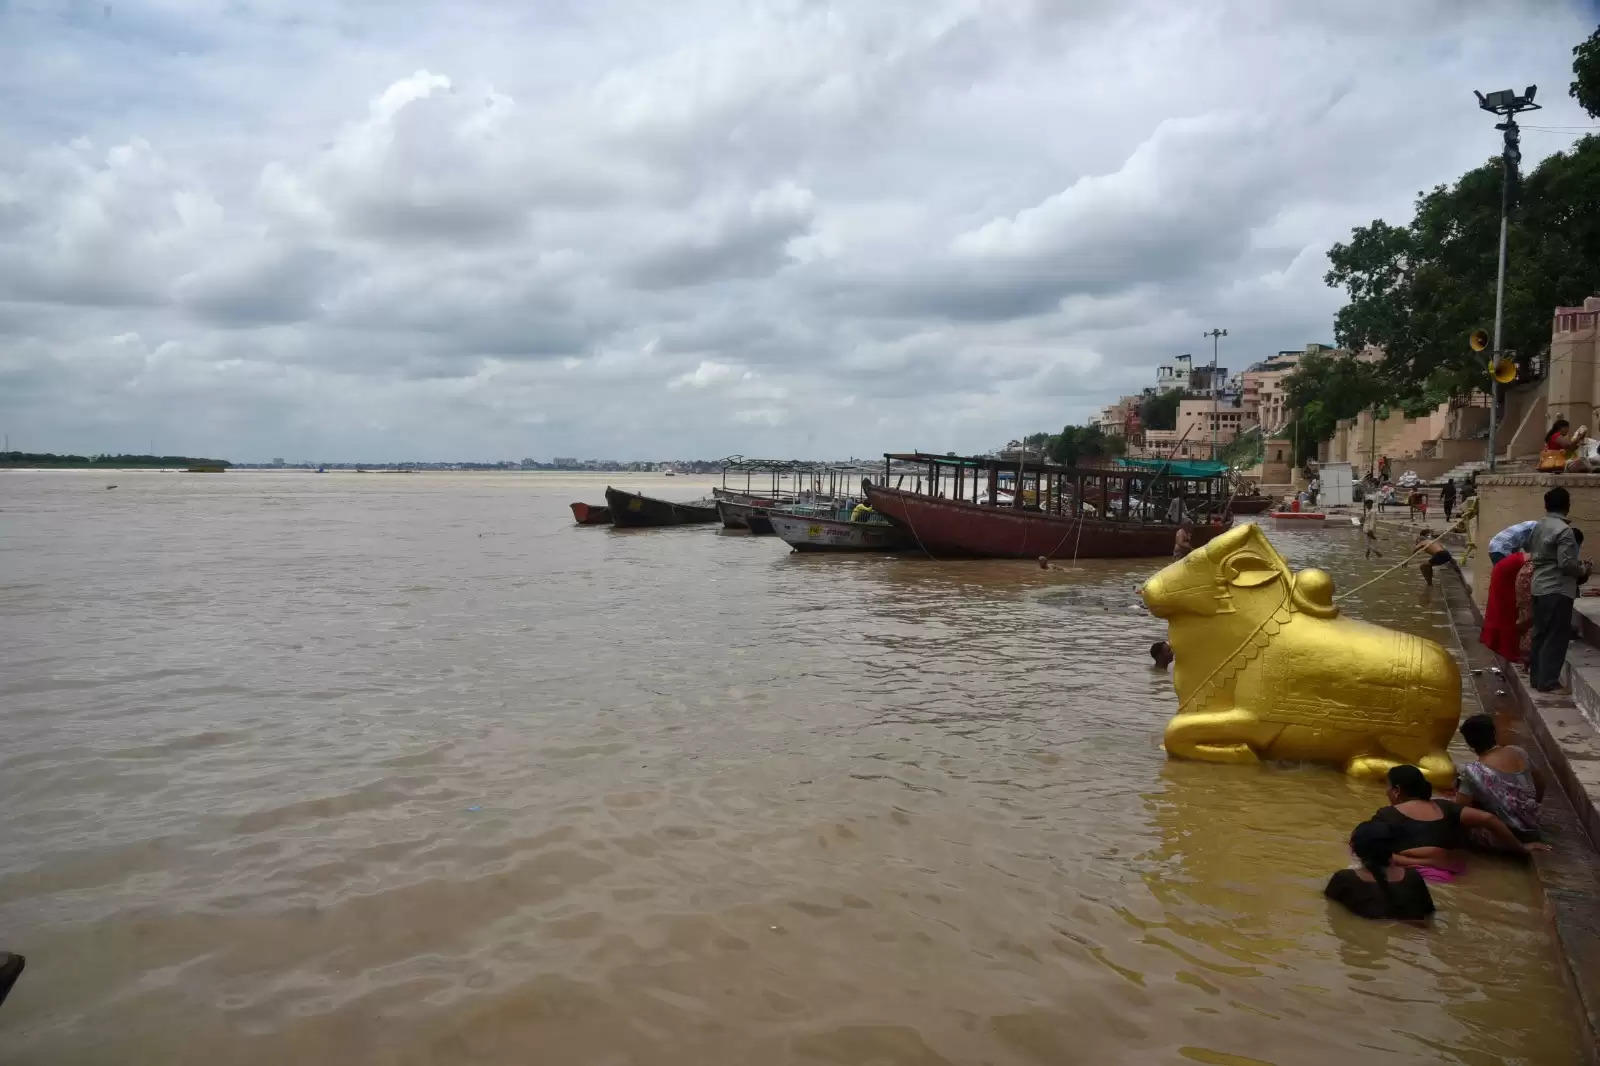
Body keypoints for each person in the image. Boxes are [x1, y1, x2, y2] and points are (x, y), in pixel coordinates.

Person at [1373, 765, 1541, 881]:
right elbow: (1488, 819)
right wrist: (1521, 847)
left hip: (1412, 877)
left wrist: (1419, 861)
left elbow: (1366, 848)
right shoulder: (1447, 807)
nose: (1386, 792)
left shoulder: (1387, 814)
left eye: (1387, 787)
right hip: (1452, 874)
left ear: (1396, 791)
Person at [1527, 486, 1592, 692]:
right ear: (1567, 506)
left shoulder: (1538, 526)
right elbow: (1566, 564)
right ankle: (1548, 682)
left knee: (1540, 634)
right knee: (1556, 635)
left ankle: (1536, 678)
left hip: (1538, 585)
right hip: (1557, 588)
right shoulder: (1564, 531)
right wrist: (1583, 569)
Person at [1455, 714, 1544, 844]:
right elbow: (1541, 784)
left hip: (1506, 836)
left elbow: (1461, 811)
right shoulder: (1518, 752)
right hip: (1533, 825)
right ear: (1494, 734)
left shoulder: (1471, 771)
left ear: (1469, 743)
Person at [1323, 821, 1435, 921]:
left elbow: (1330, 912)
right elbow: (1429, 913)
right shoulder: (1413, 876)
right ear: (1394, 849)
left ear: (1353, 848)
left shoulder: (1344, 878)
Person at [1480, 550, 1529, 662]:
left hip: (1504, 572)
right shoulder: (1531, 561)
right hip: (1506, 577)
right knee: (1508, 612)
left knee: (1501, 610)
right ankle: (1507, 648)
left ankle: (1499, 644)